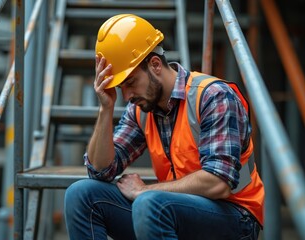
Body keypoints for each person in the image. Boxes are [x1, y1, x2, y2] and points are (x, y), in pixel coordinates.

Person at [64, 14, 264, 240]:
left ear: (155, 65)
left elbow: (219, 182)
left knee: (150, 204)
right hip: (171, 210)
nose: (127, 95)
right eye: (120, 87)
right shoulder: (141, 109)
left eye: (130, 83)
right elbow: (100, 171)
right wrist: (105, 109)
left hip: (234, 217)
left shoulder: (213, 97)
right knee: (81, 194)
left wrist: (145, 190)